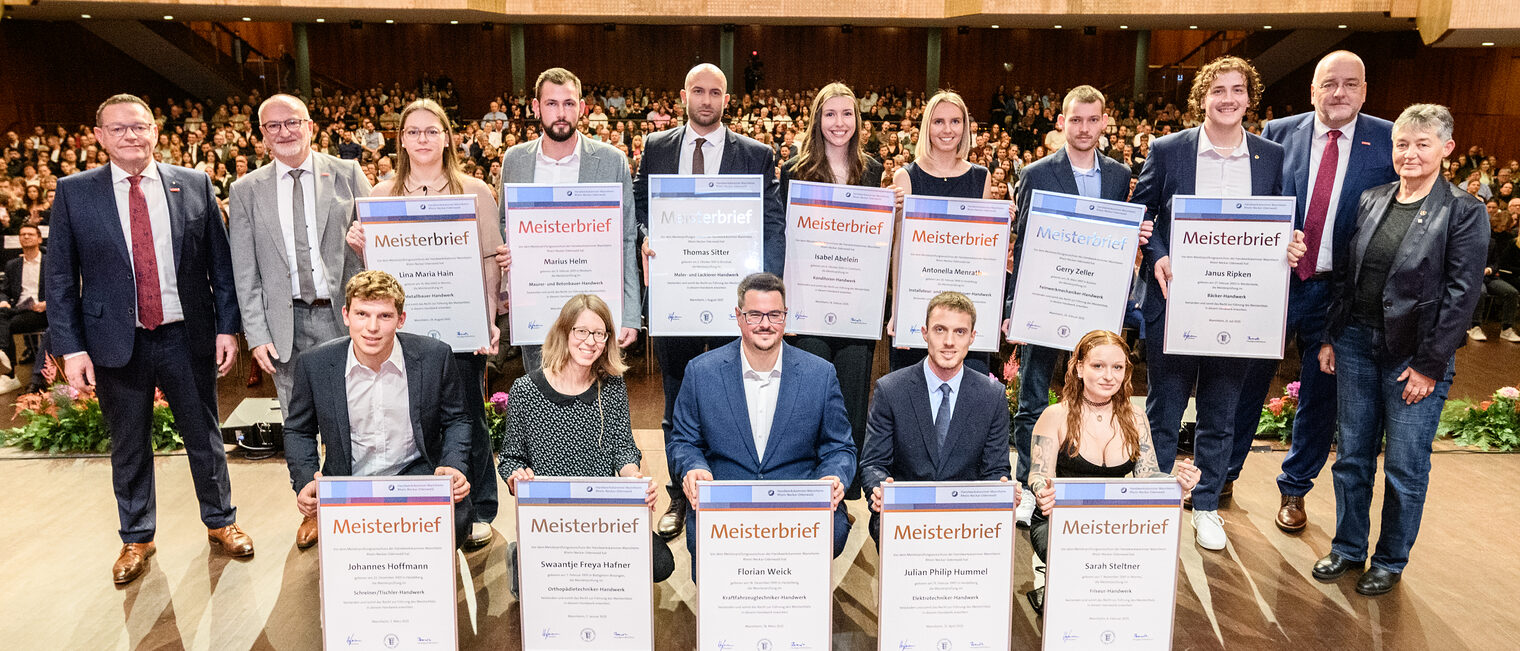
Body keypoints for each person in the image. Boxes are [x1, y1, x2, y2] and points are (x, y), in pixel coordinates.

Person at [47, 94, 249, 585]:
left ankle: (221, 521)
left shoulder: (195, 183)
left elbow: (220, 267)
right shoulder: (74, 192)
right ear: (99, 137)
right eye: (118, 129)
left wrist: (227, 327)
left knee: (204, 437)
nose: (130, 136)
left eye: (138, 127)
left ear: (156, 130)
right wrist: (71, 349)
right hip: (116, 340)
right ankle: (136, 536)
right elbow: (58, 279)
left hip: (187, 334)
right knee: (129, 443)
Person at [1312, 104, 1487, 596]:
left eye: (1422, 144)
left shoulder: (1464, 211)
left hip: (1414, 358)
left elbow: (1462, 296)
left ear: (1446, 149)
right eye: (1402, 144)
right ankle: (1348, 548)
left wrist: (1430, 366)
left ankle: (1390, 559)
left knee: (1405, 466)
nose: (1409, 154)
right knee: (1351, 457)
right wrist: (1331, 335)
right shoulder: (1372, 199)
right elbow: (1347, 276)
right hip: (1354, 344)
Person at [1131, 56, 1305, 551]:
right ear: (1201, 98)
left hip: (1239, 308)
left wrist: (1291, 244)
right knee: (1164, 411)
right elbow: (1144, 216)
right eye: (1217, 91)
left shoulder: (1270, 156)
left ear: (1249, 98)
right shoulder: (1168, 151)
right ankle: (1156, 503)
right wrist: (1158, 253)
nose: (1227, 99)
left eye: (1236, 90)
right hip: (1175, 302)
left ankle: (1205, 504)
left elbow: (1281, 221)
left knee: (1220, 412)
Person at [1247, 51, 1398, 534]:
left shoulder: (1388, 139)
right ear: (1312, 90)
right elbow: (1258, 204)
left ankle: (1295, 488)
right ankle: (1221, 474)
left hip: (1339, 293)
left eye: (1350, 84)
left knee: (1320, 394)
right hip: (1274, 284)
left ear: (1364, 89)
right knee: (1245, 380)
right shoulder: (1277, 134)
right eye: (1329, 83)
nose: (1339, 93)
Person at [346, 99, 506, 551]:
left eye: (432, 131)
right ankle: (424, 501)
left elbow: (491, 263)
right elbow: (375, 277)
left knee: (469, 417)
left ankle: (479, 508)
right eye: (413, 132)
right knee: (413, 416)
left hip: (461, 328)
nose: (423, 140)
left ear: (447, 136)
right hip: (402, 334)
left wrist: (488, 320)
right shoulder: (379, 196)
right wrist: (360, 244)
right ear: (401, 140)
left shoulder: (475, 191)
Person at [633, 64, 784, 541]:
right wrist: (645, 235)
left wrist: (763, 285)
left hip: (731, 294)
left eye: (714, 92)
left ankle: (726, 486)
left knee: (729, 389)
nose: (705, 99)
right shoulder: (657, 148)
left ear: (726, 99)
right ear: (684, 95)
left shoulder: (757, 155)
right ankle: (681, 491)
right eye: (697, 90)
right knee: (676, 393)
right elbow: (640, 204)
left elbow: (772, 224)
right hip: (677, 290)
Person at [229, 94, 369, 549]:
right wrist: (256, 334)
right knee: (297, 419)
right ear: (262, 134)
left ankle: (355, 503)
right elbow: (244, 270)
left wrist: (367, 243)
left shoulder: (348, 174)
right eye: (273, 126)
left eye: (292, 122)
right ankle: (311, 507)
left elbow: (379, 245)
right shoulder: (246, 189)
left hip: (345, 318)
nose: (284, 132)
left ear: (311, 125)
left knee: (354, 414)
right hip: (284, 324)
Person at [1006, 85, 1147, 527]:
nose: (1084, 128)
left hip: (1096, 306)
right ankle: (1032, 491)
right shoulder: (1036, 172)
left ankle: (1083, 484)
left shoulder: (1121, 174)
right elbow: (1025, 242)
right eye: (1075, 120)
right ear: (1061, 122)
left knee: (1095, 396)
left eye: (1092, 120)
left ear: (1104, 123)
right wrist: (1017, 305)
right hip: (1048, 303)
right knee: (1032, 400)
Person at [666, 273, 856, 562]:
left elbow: (840, 447)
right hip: (727, 494)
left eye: (774, 315)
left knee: (834, 531)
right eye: (755, 314)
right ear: (739, 316)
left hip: (798, 497)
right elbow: (683, 441)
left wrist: (833, 476)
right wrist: (693, 467)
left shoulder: (820, 374)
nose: (765, 324)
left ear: (785, 317)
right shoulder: (701, 371)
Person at [282, 270, 475, 548]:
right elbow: (298, 430)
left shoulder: (435, 356)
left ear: (400, 319)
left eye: (384, 316)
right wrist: (305, 481)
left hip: (415, 475)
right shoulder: (316, 364)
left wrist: (453, 465)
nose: (372, 327)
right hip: (349, 482)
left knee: (458, 517)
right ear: (346, 315)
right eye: (362, 314)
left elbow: (458, 419)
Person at [497, 294, 673, 591]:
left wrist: (634, 478)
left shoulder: (611, 384)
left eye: (599, 334)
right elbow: (512, 457)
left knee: (661, 564)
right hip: (552, 514)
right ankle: (522, 554)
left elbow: (623, 447)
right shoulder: (526, 390)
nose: (590, 341)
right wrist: (516, 476)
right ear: (564, 332)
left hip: (601, 508)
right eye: (582, 331)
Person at [1025, 330, 1201, 613]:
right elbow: (1037, 474)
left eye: (1117, 367)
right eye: (1098, 366)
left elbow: (1147, 475)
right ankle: (1056, 579)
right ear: (1080, 368)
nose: (1109, 376)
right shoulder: (1055, 415)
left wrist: (1178, 480)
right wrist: (1040, 490)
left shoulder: (1135, 417)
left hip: (1113, 518)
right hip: (1060, 519)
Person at [777, 82, 889, 498]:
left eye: (847, 114)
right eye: (830, 114)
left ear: (857, 120)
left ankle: (844, 485)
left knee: (853, 392)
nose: (839, 123)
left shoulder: (872, 170)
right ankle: (806, 479)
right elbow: (786, 238)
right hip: (809, 300)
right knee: (808, 393)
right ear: (817, 119)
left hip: (855, 300)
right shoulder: (794, 171)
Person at [495, 68, 642, 372]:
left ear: (582, 108)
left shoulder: (612, 160)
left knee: (594, 402)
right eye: (551, 104)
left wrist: (629, 314)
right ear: (536, 108)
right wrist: (507, 284)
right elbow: (502, 229)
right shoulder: (515, 160)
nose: (561, 113)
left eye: (569, 104)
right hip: (535, 306)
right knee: (540, 398)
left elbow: (626, 239)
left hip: (595, 310)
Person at [860, 291, 1013, 544]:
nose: (949, 341)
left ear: (972, 337)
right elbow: (873, 463)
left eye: (960, 332)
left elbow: (995, 469)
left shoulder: (992, 395)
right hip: (905, 515)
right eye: (940, 330)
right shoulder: (891, 389)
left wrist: (1002, 488)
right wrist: (878, 488)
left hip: (966, 519)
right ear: (925, 333)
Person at [887, 90, 1007, 375]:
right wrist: (898, 307)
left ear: (965, 127)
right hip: (919, 305)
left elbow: (982, 250)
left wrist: (1002, 224)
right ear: (927, 126)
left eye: (955, 121)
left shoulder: (981, 177)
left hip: (966, 304)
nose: (947, 129)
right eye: (939, 121)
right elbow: (899, 248)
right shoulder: (906, 176)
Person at [0, 223, 48, 393]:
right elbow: (3, 290)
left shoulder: (50, 262)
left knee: (9, 323)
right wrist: (3, 300)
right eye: (22, 234)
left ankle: (8, 371)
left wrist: (47, 303)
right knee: (3, 313)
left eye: (30, 234)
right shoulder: (13, 264)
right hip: (19, 308)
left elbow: (62, 288)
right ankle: (4, 356)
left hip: (42, 310)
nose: (26, 237)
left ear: (39, 238)